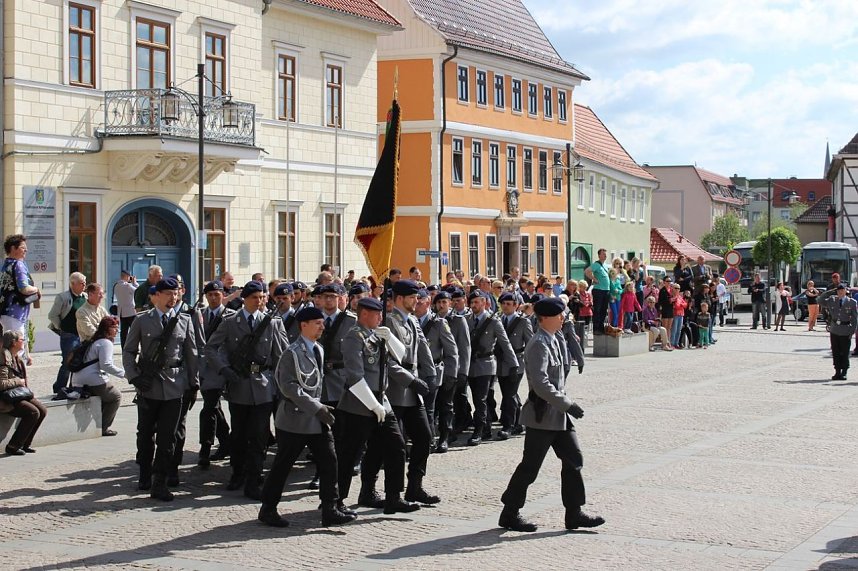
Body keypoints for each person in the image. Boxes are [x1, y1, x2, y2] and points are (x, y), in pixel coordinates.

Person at [498, 297, 604, 533]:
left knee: (574, 460)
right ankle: (510, 512)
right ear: (545, 318)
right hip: (542, 415)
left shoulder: (556, 339)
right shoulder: (538, 344)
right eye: (559, 315)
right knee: (530, 467)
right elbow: (541, 383)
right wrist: (568, 405)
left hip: (559, 415)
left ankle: (574, 513)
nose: (563, 318)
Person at [258, 306, 357, 528]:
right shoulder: (291, 353)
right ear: (304, 325)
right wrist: (316, 407)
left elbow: (318, 384)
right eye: (318, 323)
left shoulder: (319, 350)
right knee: (283, 465)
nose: (322, 326)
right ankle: (268, 508)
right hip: (295, 419)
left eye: (322, 322)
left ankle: (330, 507)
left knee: (330, 461)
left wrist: (321, 408)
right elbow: (289, 387)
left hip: (317, 418)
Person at [336, 297, 420, 514]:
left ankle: (394, 497)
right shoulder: (353, 337)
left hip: (382, 400)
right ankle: (337, 500)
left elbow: (401, 355)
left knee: (396, 447)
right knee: (350, 454)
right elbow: (355, 377)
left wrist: (390, 337)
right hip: (359, 403)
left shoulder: (376, 334)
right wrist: (373, 406)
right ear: (365, 314)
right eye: (377, 314)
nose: (381, 317)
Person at [208, 281, 288, 500]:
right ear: (244, 298)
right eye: (255, 297)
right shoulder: (231, 321)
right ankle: (238, 472)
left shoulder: (272, 323)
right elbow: (212, 348)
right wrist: (224, 369)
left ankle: (254, 477)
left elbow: (281, 355)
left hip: (263, 384)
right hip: (239, 384)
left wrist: (282, 386)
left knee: (259, 435)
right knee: (240, 433)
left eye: (263, 297)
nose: (260, 301)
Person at [122, 278, 199, 501]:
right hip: (149, 385)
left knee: (168, 438)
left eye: (175, 294)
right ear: (157, 295)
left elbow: (192, 354)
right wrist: (134, 377)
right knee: (145, 435)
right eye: (168, 294)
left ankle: (160, 482)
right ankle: (145, 473)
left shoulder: (184, 320)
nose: (172, 298)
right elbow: (128, 351)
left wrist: (193, 383)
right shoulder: (142, 320)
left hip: (175, 386)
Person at [465, 290, 518, 446]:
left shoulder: (493, 321)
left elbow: (505, 343)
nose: (473, 305)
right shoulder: (467, 320)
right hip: (471, 365)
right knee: (479, 397)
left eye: (477, 302)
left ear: (484, 302)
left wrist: (513, 364)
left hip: (486, 364)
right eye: (472, 302)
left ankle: (479, 430)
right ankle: (486, 427)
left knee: (480, 398)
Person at [415, 288, 458, 449]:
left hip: (434, 370)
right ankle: (422, 438)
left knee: (436, 407)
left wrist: (451, 375)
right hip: (414, 371)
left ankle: (441, 438)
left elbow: (451, 351)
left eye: (420, 302)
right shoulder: (410, 321)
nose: (416, 305)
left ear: (427, 303)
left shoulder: (439, 323)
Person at [197, 280, 234, 468]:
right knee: (213, 407)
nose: (213, 298)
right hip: (204, 370)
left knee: (209, 409)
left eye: (216, 294)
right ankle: (226, 441)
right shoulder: (199, 315)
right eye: (210, 295)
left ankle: (205, 447)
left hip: (222, 369)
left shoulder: (231, 316)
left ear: (222, 295)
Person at [430, 291, 468, 452]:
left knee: (447, 405)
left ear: (450, 303)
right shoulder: (432, 321)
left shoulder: (458, 320)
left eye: (444, 302)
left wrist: (462, 372)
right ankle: (432, 436)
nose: (441, 305)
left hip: (451, 368)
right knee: (433, 407)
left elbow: (464, 348)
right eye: (438, 302)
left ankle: (446, 436)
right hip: (434, 369)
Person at [71, 316, 123, 436]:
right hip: (92, 378)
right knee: (115, 397)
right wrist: (124, 374)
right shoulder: (105, 343)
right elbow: (106, 365)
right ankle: (103, 428)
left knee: (105, 397)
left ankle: (98, 424)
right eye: (114, 327)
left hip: (78, 378)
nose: (117, 330)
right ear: (106, 329)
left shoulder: (94, 340)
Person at [0, 329, 47, 455]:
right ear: (14, 342)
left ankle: (25, 443)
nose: (24, 342)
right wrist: (17, 381)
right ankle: (13, 446)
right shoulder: (3, 357)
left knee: (42, 410)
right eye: (22, 339)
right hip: (5, 398)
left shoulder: (17, 358)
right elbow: (1, 383)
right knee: (32, 412)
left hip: (17, 394)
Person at [496, 292, 533, 440]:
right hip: (500, 362)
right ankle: (519, 422)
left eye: (509, 304)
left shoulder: (523, 322)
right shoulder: (498, 320)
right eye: (503, 304)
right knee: (508, 393)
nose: (505, 306)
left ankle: (508, 425)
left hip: (516, 362)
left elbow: (530, 343)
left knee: (509, 394)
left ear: (516, 306)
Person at [0, 234, 40, 362]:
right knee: (16, 347)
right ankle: (16, 378)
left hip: (5, 311)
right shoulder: (18, 265)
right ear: (13, 248)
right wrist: (37, 290)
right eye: (23, 248)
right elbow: (24, 288)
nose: (26, 251)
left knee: (10, 345)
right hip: (16, 312)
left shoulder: (5, 264)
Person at [47, 272, 87, 393]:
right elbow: (52, 315)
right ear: (72, 284)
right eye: (81, 283)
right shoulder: (63, 297)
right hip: (69, 335)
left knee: (80, 361)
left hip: (81, 334)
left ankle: (74, 386)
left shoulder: (85, 297)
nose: (84, 285)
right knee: (67, 362)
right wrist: (61, 327)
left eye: (85, 282)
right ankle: (59, 387)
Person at [825, 284, 857, 380]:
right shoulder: (833, 300)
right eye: (838, 291)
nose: (840, 292)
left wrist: (851, 332)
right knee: (836, 352)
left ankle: (844, 372)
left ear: (845, 291)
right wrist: (830, 291)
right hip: (834, 330)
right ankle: (837, 371)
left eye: (842, 291)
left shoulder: (851, 302)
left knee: (844, 352)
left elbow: (855, 319)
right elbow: (820, 300)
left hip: (845, 330)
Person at [584, 248, 610, 335]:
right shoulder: (596, 264)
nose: (605, 255)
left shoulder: (605, 265)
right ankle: (596, 328)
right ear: (599, 255)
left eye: (605, 254)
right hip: (598, 290)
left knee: (603, 310)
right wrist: (594, 279)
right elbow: (587, 271)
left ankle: (601, 327)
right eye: (603, 254)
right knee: (597, 309)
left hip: (606, 290)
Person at [114, 269, 139, 349]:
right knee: (134, 331)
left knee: (123, 332)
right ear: (127, 276)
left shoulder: (116, 285)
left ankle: (123, 347)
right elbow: (138, 291)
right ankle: (134, 347)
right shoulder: (128, 286)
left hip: (121, 312)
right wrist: (134, 283)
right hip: (131, 312)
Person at [657, 277, 674, 347]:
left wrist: (673, 300)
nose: (669, 282)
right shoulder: (662, 290)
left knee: (669, 327)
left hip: (670, 309)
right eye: (667, 281)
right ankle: (664, 343)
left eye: (670, 281)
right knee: (664, 327)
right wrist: (670, 300)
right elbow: (660, 301)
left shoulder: (671, 290)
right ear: (664, 282)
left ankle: (668, 341)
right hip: (665, 309)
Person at [671, 284, 687, 349]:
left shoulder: (680, 297)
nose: (677, 289)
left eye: (678, 288)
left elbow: (685, 304)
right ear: (673, 288)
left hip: (681, 314)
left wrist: (681, 304)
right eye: (676, 288)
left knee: (679, 330)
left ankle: (676, 343)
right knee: (674, 330)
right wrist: (681, 305)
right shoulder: (672, 297)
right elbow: (676, 306)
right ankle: (672, 343)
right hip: (675, 314)